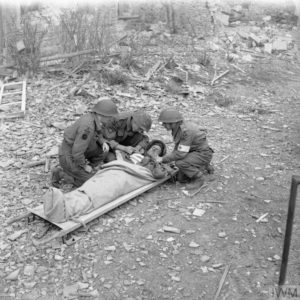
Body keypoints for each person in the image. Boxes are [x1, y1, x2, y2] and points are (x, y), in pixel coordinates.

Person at [51, 99, 118, 188]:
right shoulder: (87, 127)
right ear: (102, 115)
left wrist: (102, 142)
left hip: (81, 148)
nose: (110, 119)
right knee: (90, 182)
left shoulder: (94, 118)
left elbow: (98, 132)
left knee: (103, 151)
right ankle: (60, 174)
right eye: (109, 117)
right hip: (69, 155)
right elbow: (77, 152)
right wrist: (84, 166)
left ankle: (87, 169)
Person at [156, 108, 214, 188]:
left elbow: (180, 154)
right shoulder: (178, 128)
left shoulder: (186, 131)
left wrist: (162, 159)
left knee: (180, 163)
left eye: (165, 123)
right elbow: (178, 148)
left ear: (173, 123)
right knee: (181, 178)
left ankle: (199, 178)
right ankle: (203, 166)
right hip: (195, 151)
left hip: (203, 154)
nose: (163, 125)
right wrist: (168, 159)